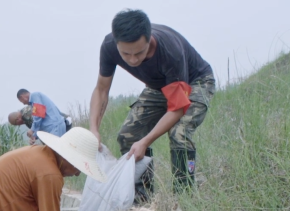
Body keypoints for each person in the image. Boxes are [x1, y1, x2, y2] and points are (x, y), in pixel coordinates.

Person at [88, 9, 216, 199]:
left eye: (139, 53)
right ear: (116, 43)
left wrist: (146, 141)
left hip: (195, 82)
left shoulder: (169, 50)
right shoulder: (108, 46)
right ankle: (143, 201)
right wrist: (94, 129)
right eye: (126, 54)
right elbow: (101, 90)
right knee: (128, 136)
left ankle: (184, 198)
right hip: (158, 87)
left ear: (149, 40)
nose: (133, 60)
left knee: (179, 133)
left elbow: (178, 107)